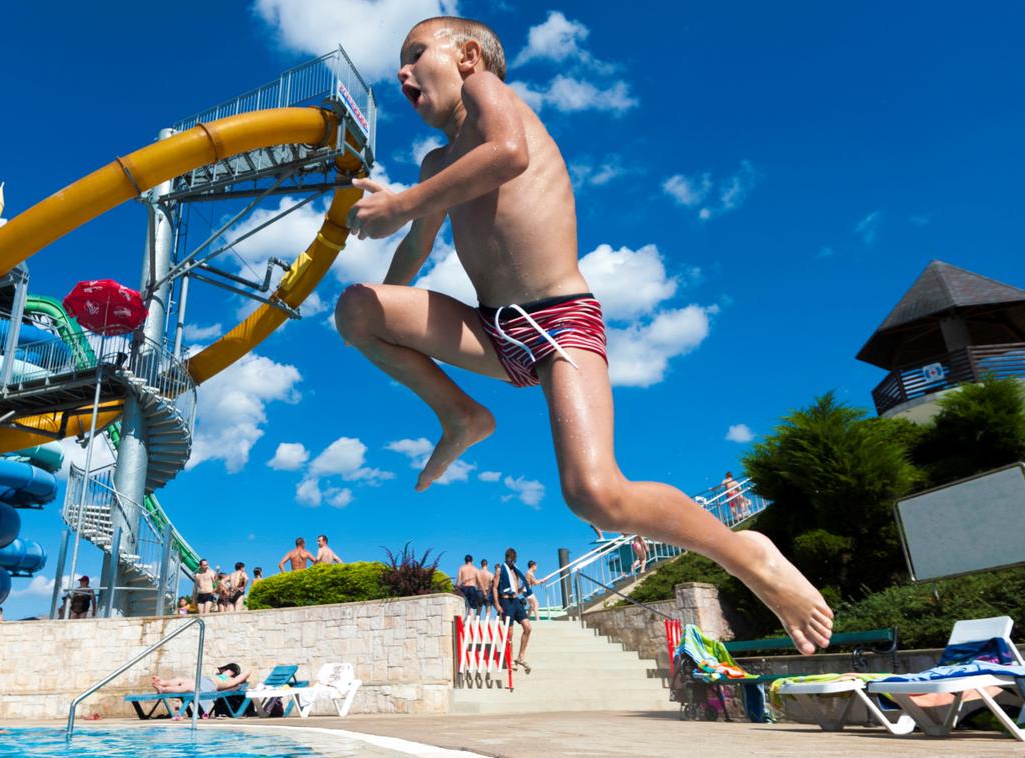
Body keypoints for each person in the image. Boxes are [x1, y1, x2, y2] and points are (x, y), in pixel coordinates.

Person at [335, 15, 832, 656]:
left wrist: (402, 202)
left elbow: (508, 152)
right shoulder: (436, 164)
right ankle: (461, 414)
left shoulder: (491, 96)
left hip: (560, 320)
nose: (402, 72)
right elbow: (415, 249)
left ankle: (745, 555)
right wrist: (388, 266)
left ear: (465, 57)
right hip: (493, 331)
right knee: (355, 311)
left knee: (595, 496)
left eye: (414, 54)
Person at [493, 548, 533, 673]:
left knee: (528, 627)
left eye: (514, 560)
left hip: (516, 601)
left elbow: (516, 588)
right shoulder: (500, 570)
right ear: (506, 558)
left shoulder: (516, 571)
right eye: (511, 559)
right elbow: (494, 588)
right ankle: (509, 659)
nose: (512, 562)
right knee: (509, 633)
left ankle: (520, 657)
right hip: (506, 602)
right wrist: (497, 604)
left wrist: (523, 588)